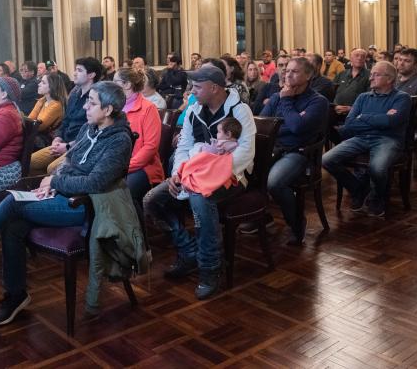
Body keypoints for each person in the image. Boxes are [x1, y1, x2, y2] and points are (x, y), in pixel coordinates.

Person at [0, 82, 134, 326]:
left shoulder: (119, 141)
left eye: (92, 103)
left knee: (12, 201)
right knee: (13, 226)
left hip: (87, 207)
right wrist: (52, 181)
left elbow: (95, 183)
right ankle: (16, 294)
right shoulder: (91, 128)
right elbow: (70, 161)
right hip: (63, 196)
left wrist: (56, 182)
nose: (85, 106)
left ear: (108, 110)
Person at [143, 65, 256, 299]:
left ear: (214, 88)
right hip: (193, 174)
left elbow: (245, 152)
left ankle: (210, 267)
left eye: (197, 87)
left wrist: (209, 174)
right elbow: (183, 146)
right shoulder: (195, 109)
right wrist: (177, 173)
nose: (192, 92)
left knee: (200, 199)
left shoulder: (239, 110)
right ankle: (188, 251)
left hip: (231, 177)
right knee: (152, 200)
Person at [322, 61, 411, 217]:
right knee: (326, 159)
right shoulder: (363, 97)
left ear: (389, 79)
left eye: (375, 74)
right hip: (361, 138)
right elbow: (350, 123)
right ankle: (358, 190)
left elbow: (391, 122)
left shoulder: (402, 98)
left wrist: (364, 117)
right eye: (371, 74)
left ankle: (377, 198)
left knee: (377, 168)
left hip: (388, 140)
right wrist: (379, 120)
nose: (370, 78)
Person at [257, 58, 328, 244]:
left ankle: (296, 222)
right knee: (243, 173)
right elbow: (262, 125)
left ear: (309, 75)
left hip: (300, 153)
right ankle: (259, 217)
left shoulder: (317, 101)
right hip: (274, 149)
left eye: (294, 71)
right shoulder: (277, 97)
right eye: (287, 70)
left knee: (274, 183)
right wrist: (290, 121)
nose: (288, 74)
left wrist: (287, 104)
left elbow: (297, 127)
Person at [29, 57, 102, 175]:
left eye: (79, 70)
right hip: (63, 141)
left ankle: (50, 189)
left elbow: (92, 132)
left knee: (52, 168)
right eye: (75, 69)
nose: (74, 73)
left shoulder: (96, 98)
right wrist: (57, 138)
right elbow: (66, 121)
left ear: (91, 75)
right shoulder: (74, 94)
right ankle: (39, 189)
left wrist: (67, 146)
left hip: (78, 146)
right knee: (30, 161)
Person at [113, 67, 164, 208]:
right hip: (116, 165)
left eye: (115, 81)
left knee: (121, 191)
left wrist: (124, 167)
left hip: (144, 168)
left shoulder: (148, 108)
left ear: (127, 84)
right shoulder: (115, 108)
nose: (112, 86)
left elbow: (150, 147)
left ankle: (135, 229)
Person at [28, 72, 67, 149]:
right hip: (37, 135)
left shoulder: (56, 105)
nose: (39, 84)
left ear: (52, 86)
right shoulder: (42, 100)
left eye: (43, 82)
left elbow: (39, 126)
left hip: (48, 140)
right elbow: (30, 120)